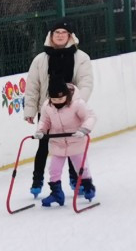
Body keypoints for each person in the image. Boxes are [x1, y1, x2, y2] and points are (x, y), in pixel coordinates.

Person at [23, 18, 94, 197]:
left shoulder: (81, 58)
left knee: (73, 145)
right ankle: (37, 181)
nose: (60, 36)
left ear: (70, 36)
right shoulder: (40, 59)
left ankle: (76, 179)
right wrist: (30, 110)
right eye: (57, 33)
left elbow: (86, 83)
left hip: (72, 111)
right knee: (43, 145)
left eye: (64, 33)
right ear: (51, 36)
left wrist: (75, 103)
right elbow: (33, 86)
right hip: (48, 110)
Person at [32, 78, 96, 207]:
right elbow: (45, 121)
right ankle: (57, 194)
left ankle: (88, 187)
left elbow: (90, 117)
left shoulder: (77, 103)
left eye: (60, 99)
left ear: (66, 95)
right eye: (54, 100)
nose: (57, 102)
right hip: (57, 142)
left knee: (81, 168)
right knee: (54, 170)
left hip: (75, 141)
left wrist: (84, 130)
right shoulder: (47, 106)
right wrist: (41, 131)